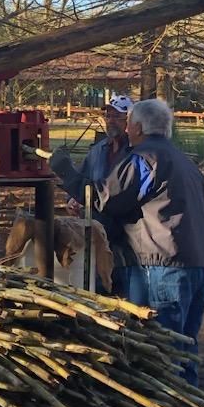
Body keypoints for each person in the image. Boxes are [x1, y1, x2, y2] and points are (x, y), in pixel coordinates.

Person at [89, 98, 204, 407]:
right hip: (199, 265)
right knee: (185, 350)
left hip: (162, 267)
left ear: (138, 128)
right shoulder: (189, 166)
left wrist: (69, 175)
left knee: (162, 353)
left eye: (129, 123)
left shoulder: (143, 158)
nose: (125, 128)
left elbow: (109, 200)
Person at [50, 95, 135, 294]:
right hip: (97, 231)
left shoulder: (135, 152)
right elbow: (81, 178)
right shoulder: (97, 150)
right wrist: (72, 199)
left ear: (129, 121)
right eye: (108, 115)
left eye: (117, 116)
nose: (111, 120)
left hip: (125, 236)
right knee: (97, 284)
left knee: (123, 288)